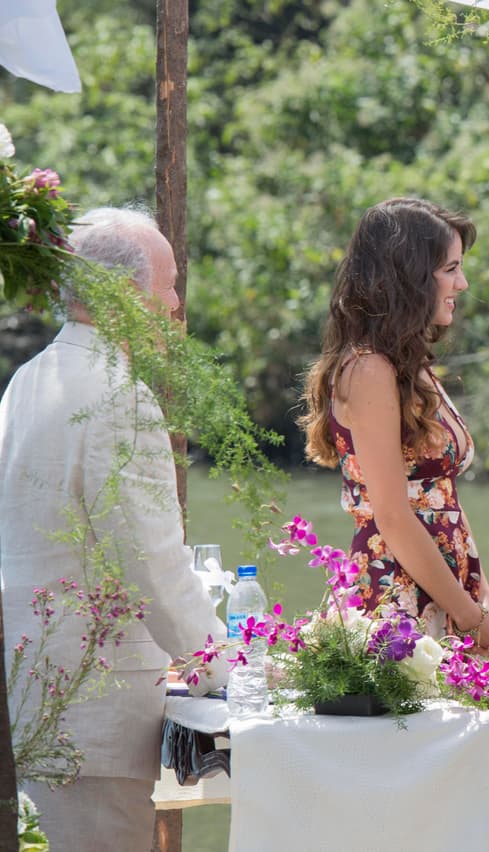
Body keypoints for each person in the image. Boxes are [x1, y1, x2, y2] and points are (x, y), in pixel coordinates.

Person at [0, 207, 228, 851]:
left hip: (28, 686)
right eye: (168, 286)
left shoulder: (26, 380)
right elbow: (152, 564)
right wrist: (226, 671)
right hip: (97, 706)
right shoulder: (119, 396)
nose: (177, 305)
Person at [300, 198, 489, 654]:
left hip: (448, 592)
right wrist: (469, 616)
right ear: (410, 277)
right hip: (398, 603)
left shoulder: (412, 366)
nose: (463, 282)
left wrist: (483, 599)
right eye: (450, 269)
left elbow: (444, 499)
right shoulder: (368, 370)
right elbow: (394, 518)